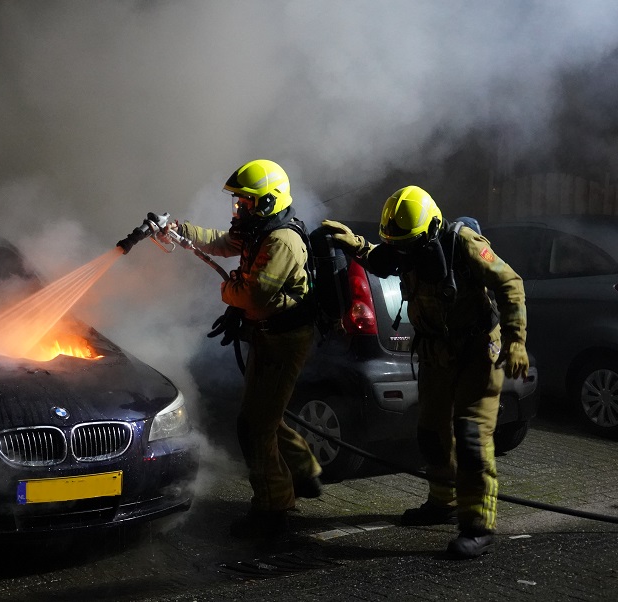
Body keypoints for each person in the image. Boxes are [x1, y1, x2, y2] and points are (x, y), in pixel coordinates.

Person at [320, 186, 528, 559]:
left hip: (477, 353)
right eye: (397, 245)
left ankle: (478, 525)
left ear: (430, 228)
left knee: (471, 437)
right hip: (436, 354)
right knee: (431, 432)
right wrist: (355, 244)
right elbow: (383, 259)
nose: (404, 254)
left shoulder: (462, 244)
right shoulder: (409, 246)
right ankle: (442, 502)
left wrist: (516, 342)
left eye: (408, 245)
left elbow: (510, 284)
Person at [161, 158, 323, 539]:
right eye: (237, 202)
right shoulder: (256, 229)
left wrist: (227, 290)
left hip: (285, 340)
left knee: (254, 426)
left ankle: (273, 510)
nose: (238, 208)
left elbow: (254, 294)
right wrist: (178, 230)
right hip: (267, 335)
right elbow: (219, 242)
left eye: (245, 202)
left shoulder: (282, 240)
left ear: (267, 202)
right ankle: (304, 471)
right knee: (264, 414)